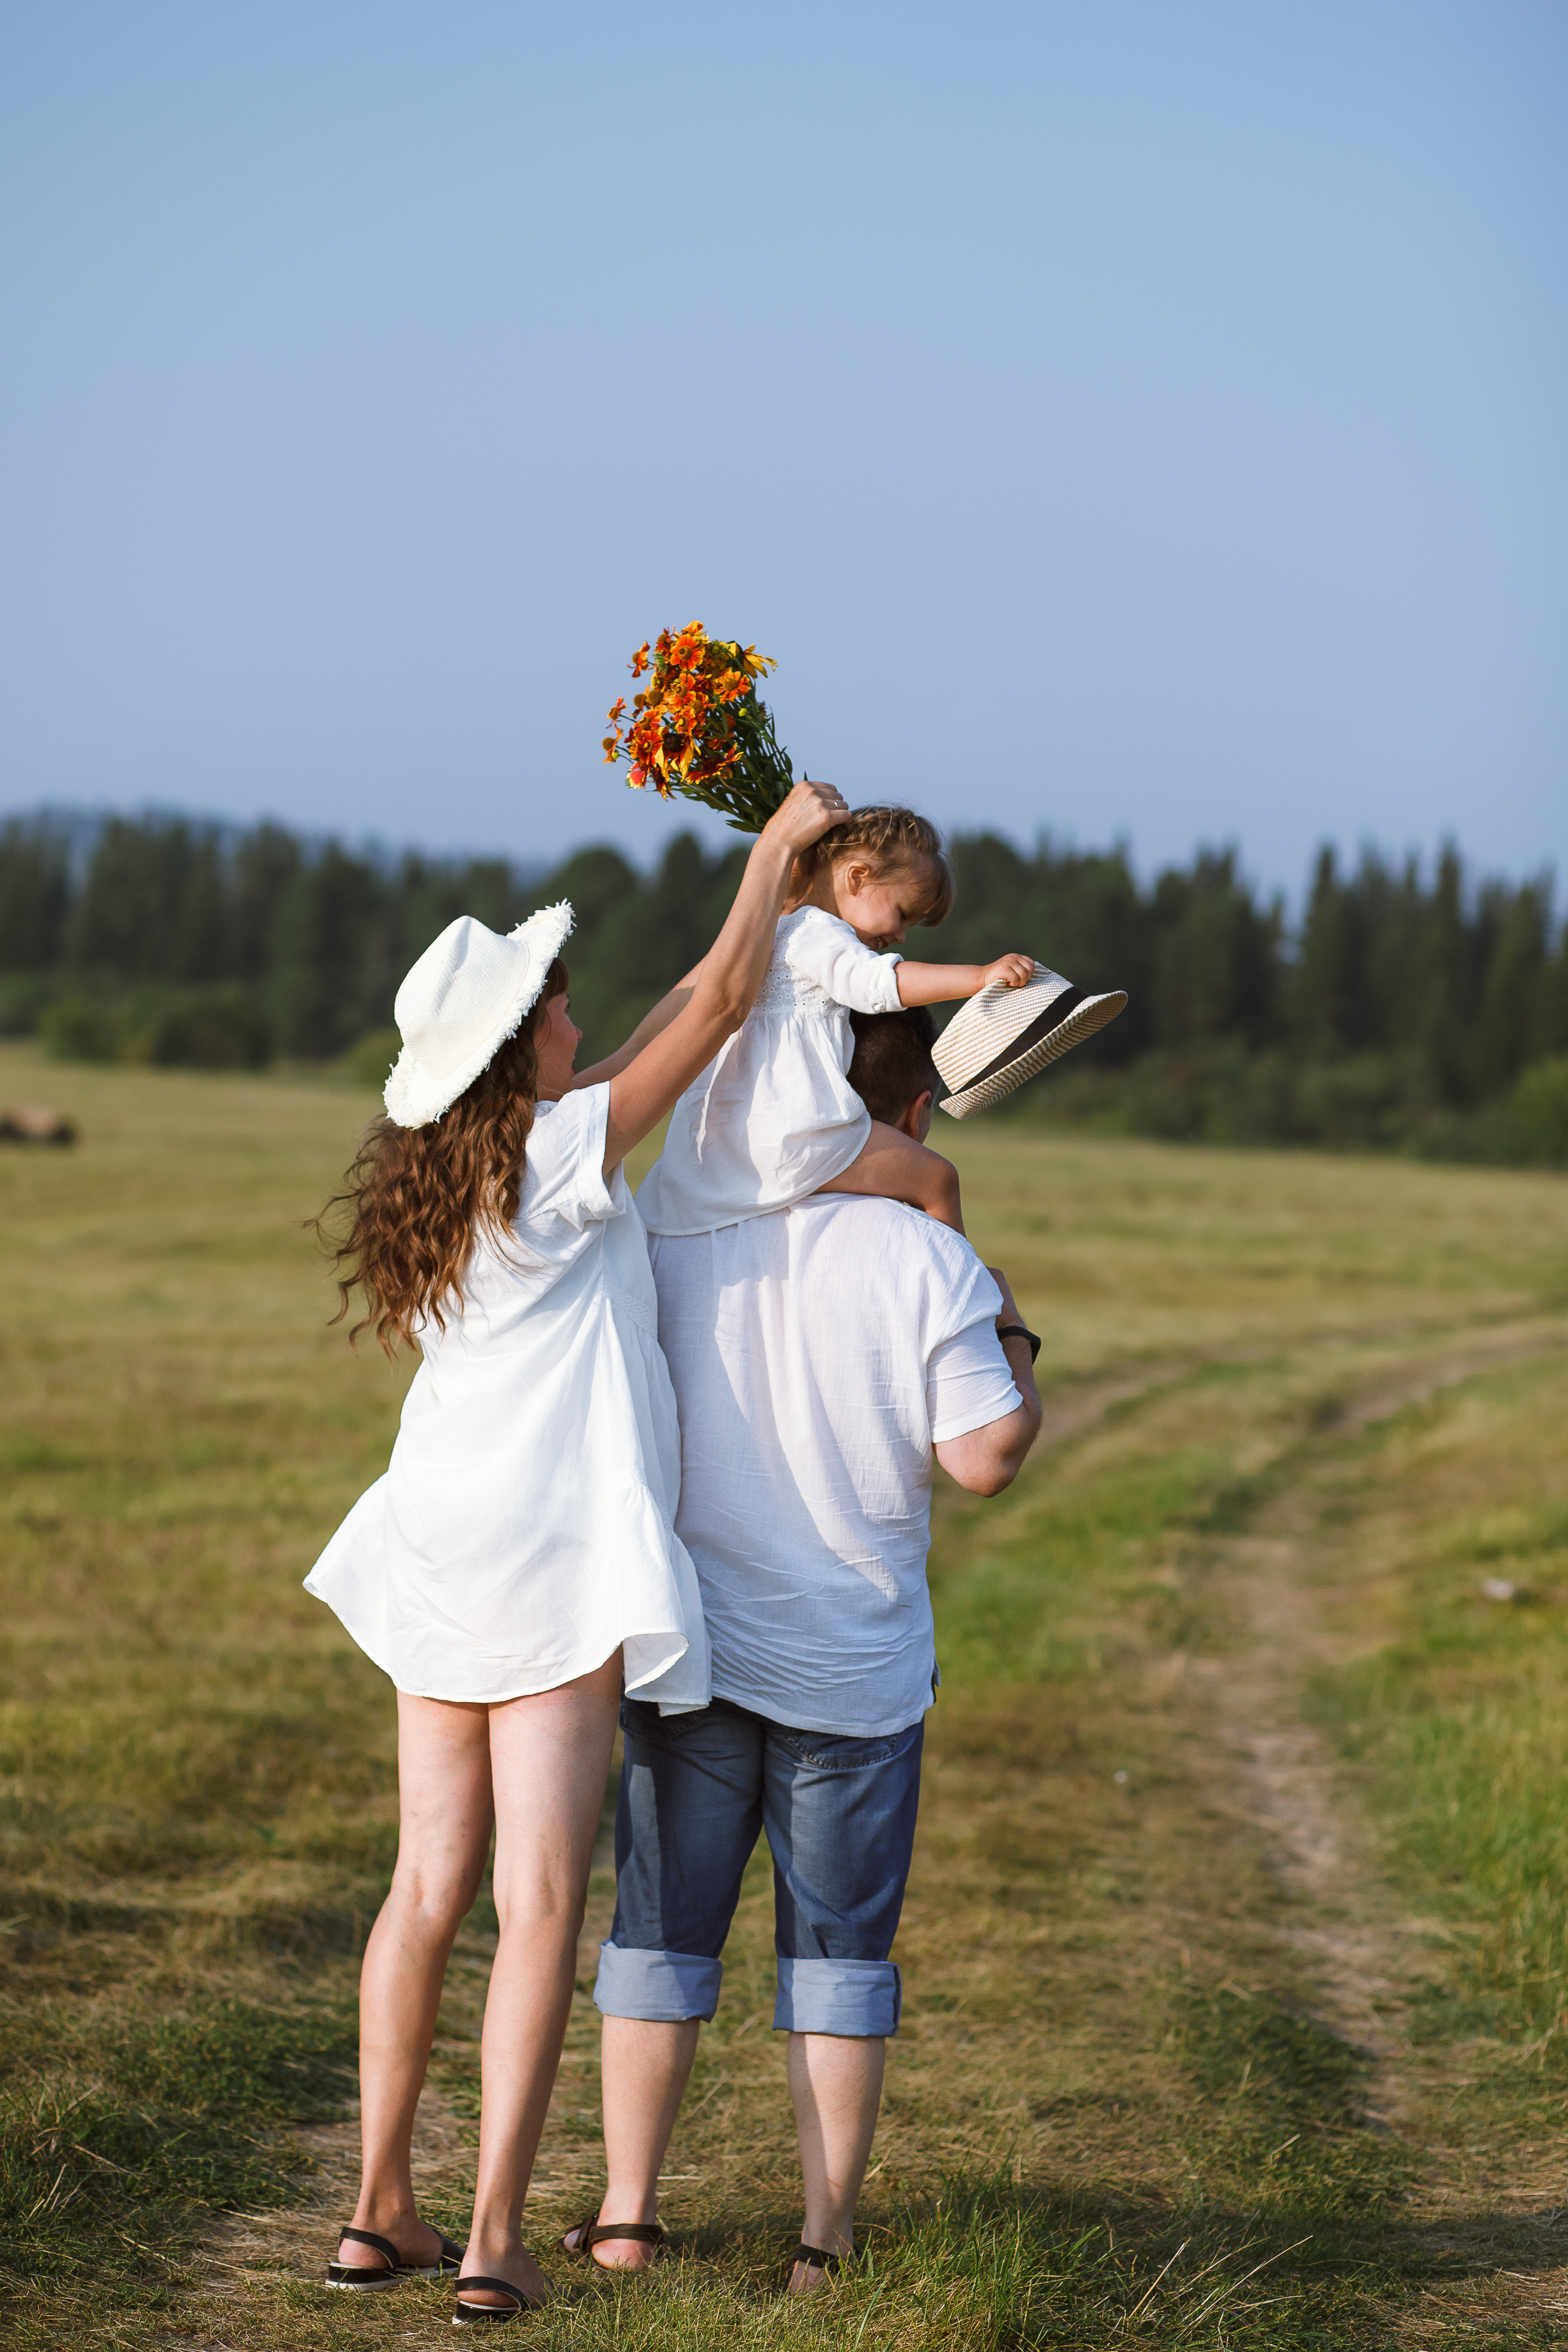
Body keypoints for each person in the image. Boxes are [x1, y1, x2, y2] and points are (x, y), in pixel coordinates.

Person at [304, 778, 847, 2323]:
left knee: (425, 1886)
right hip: (544, 1562)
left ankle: (373, 2210)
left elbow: (683, 1009)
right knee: (536, 1902)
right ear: (521, 1046)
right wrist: (769, 863)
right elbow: (724, 998)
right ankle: (486, 2240)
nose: (578, 1017)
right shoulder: (558, 1155)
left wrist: (759, 899)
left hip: (435, 1540)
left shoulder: (471, 1166)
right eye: (557, 1006)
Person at [563, 1002, 1045, 2293]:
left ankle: (624, 2218)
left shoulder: (673, 1216)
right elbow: (985, 1459)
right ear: (913, 1109)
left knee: (659, 1936)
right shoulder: (926, 1259)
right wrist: (1012, 1331)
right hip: (854, 1670)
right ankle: (822, 2246)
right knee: (836, 1959)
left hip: (694, 1650)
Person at [634, 805, 1034, 1241]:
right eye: (902, 913)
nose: (901, 936)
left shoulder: (771, 933)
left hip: (737, 1142)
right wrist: (977, 977)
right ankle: (969, 1296)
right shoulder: (818, 932)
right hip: (799, 1137)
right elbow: (875, 982)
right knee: (938, 1180)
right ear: (857, 877)